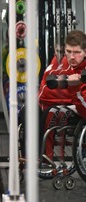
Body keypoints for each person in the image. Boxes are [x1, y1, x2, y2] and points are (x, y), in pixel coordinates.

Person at [38, 29, 86, 161]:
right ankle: (28, 157)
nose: (71, 57)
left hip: (78, 109)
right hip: (68, 104)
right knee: (27, 111)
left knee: (52, 112)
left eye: (77, 52)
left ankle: (46, 158)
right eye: (68, 52)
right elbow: (44, 92)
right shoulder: (61, 63)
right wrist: (71, 89)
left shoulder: (83, 71)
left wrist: (74, 88)